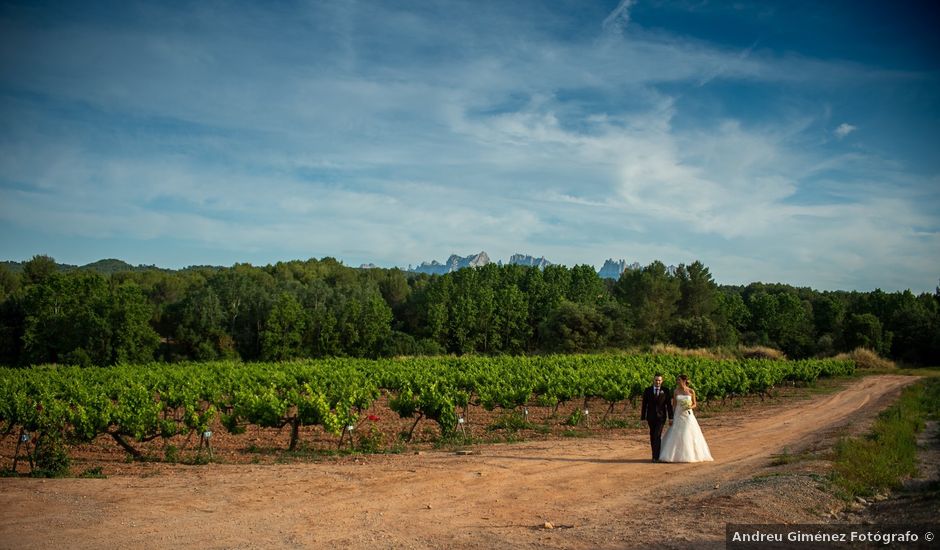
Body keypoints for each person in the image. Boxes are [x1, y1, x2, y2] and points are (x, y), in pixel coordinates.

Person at [658, 374, 713, 463]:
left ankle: (689, 455)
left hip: (688, 414)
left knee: (687, 432)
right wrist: (672, 416)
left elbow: (695, 404)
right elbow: (674, 405)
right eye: (677, 380)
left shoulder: (691, 391)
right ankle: (674, 455)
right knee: (676, 433)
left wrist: (689, 406)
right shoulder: (676, 391)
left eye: (679, 380)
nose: (677, 381)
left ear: (684, 381)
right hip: (678, 414)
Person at [640, 373, 673, 462]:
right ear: (653, 380)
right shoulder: (648, 390)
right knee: (652, 435)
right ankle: (654, 455)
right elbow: (644, 405)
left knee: (657, 435)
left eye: (659, 380)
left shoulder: (666, 391)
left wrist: (671, 417)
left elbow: (669, 405)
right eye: (656, 380)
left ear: (662, 381)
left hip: (661, 417)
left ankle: (656, 457)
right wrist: (643, 418)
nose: (658, 382)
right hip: (650, 417)